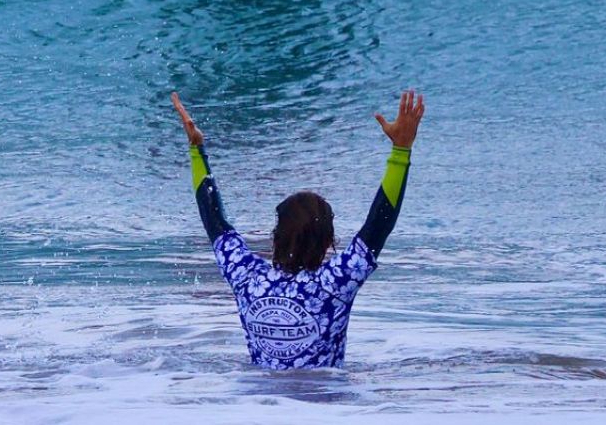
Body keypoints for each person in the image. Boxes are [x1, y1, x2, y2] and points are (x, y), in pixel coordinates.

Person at [170, 88, 425, 370]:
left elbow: (214, 220)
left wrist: (196, 150)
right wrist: (401, 150)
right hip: (324, 408)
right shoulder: (335, 283)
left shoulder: (248, 278)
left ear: (276, 236)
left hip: (255, 407)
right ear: (329, 241)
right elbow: (379, 223)